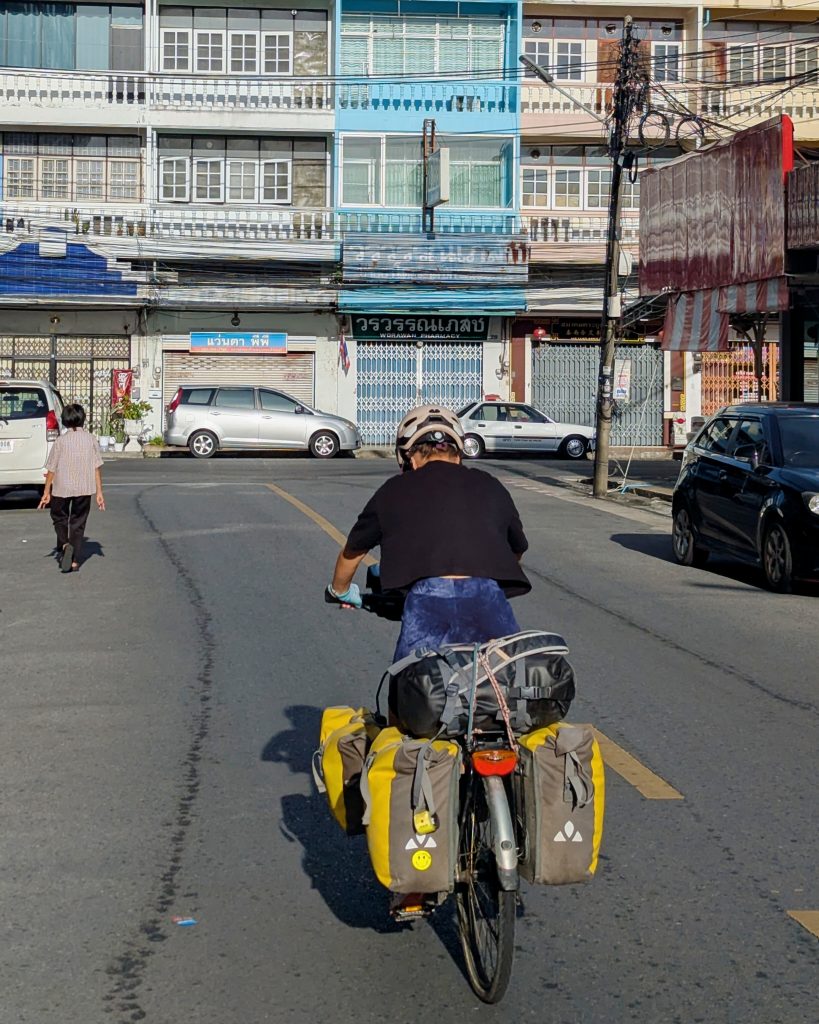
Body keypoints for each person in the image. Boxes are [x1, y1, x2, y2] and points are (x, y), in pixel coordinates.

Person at [328, 404, 530, 660]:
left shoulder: (392, 490)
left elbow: (354, 551)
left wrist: (341, 591)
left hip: (427, 601)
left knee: (410, 687)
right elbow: (517, 548)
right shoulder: (491, 485)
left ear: (410, 458)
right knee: (504, 680)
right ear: (458, 456)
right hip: (488, 600)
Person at [38, 403, 105, 572]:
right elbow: (96, 467)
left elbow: (51, 469)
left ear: (65, 421)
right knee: (78, 522)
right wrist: (99, 493)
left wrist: (46, 492)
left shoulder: (61, 441)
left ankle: (64, 543)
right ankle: (74, 560)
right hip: (84, 487)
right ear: (83, 419)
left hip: (62, 487)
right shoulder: (91, 439)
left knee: (58, 516)